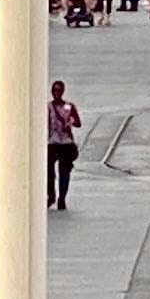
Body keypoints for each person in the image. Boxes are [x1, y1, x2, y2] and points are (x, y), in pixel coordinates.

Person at [47, 79, 82, 211]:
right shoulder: (48, 107)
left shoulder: (69, 106)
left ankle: (62, 198)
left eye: (58, 90)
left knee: (64, 173)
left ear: (62, 91)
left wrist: (71, 121)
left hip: (66, 143)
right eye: (54, 90)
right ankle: (51, 195)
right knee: (49, 172)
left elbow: (78, 123)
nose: (56, 93)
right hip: (52, 143)